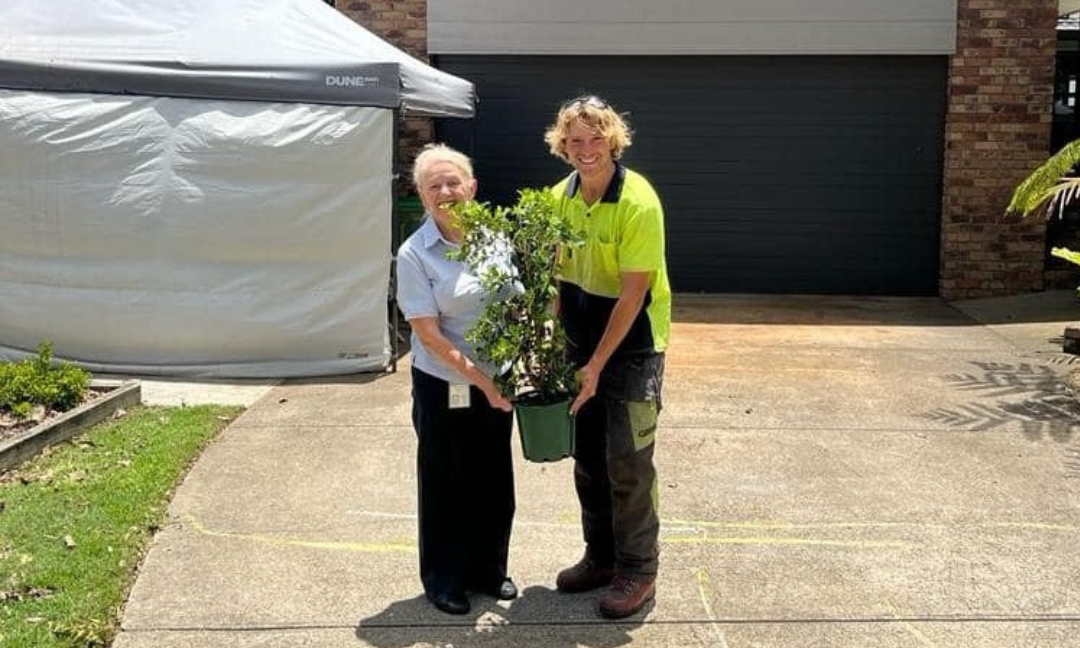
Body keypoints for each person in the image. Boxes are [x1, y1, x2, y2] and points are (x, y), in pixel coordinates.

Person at [543, 95, 671, 619]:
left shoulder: (638, 201)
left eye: (596, 139)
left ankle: (639, 570)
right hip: (580, 347)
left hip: (634, 348)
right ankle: (600, 558)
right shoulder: (558, 198)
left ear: (612, 140)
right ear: (562, 145)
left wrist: (597, 366)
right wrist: (551, 337)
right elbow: (553, 277)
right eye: (575, 140)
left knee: (629, 462)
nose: (586, 149)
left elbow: (632, 295)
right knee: (589, 462)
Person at [395, 143, 518, 615]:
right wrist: (484, 383)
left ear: (472, 188)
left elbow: (516, 301)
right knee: (445, 480)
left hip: (497, 378)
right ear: (423, 196)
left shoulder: (497, 238)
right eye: (434, 185)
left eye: (453, 182)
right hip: (444, 380)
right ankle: (444, 580)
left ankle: (489, 570)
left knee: (492, 477)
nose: (446, 191)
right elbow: (428, 334)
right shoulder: (414, 255)